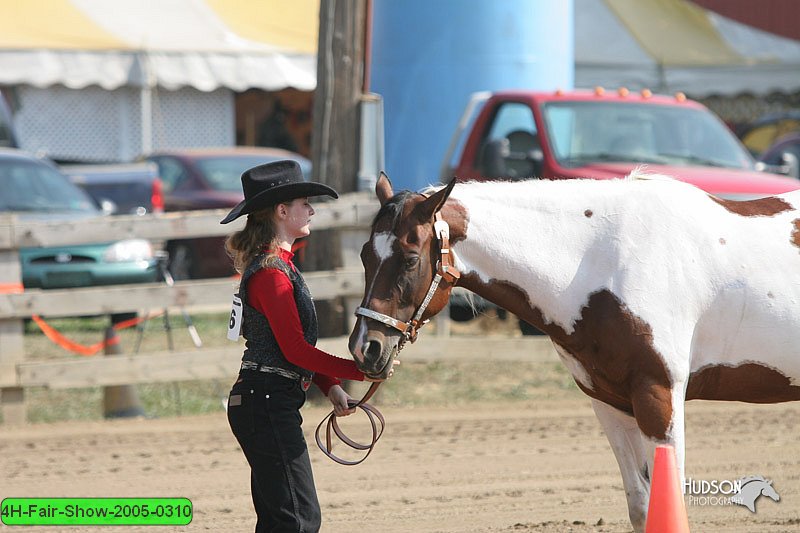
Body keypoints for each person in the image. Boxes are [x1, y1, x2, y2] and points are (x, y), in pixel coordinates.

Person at [220, 160, 390, 532]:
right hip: (266, 402)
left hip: (263, 401)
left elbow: (291, 348)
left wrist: (330, 386)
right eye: (304, 203)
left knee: (284, 517)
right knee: (297, 519)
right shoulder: (271, 273)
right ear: (282, 211)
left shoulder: (278, 267)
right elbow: (296, 350)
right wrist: (359, 370)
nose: (311, 209)